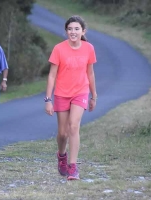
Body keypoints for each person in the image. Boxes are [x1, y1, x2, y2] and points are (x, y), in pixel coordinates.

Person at [45, 15, 97, 180]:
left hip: (80, 92)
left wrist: (93, 95)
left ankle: (73, 167)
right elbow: (52, 76)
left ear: (83, 31)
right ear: (66, 31)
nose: (73, 32)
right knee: (62, 133)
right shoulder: (59, 49)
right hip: (61, 93)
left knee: (73, 126)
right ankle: (62, 155)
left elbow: (90, 73)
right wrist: (48, 99)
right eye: (70, 29)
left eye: (76, 29)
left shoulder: (89, 48)